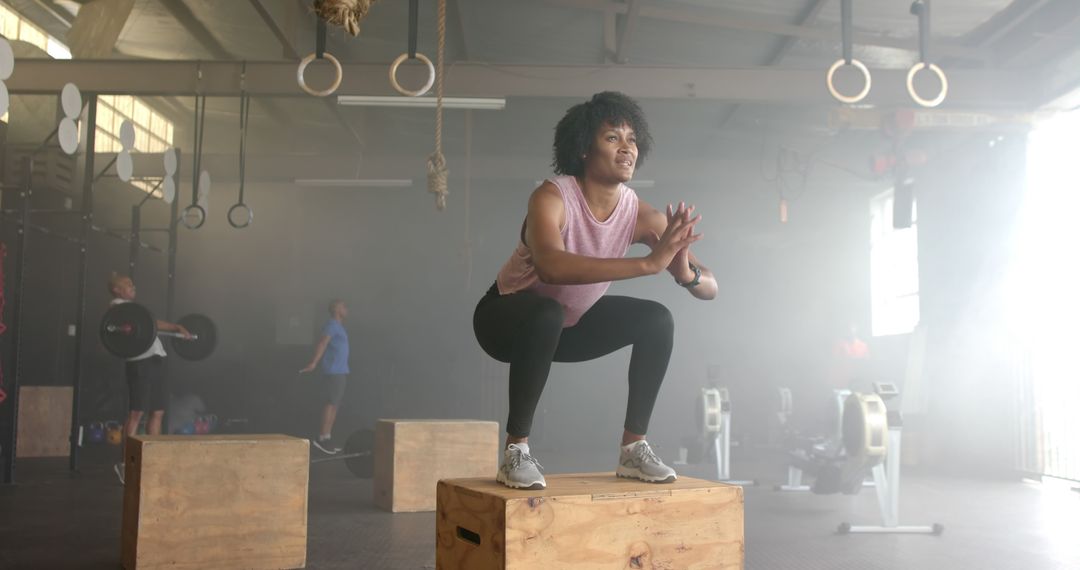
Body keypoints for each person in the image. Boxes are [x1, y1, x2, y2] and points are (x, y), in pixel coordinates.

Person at [473, 91, 717, 490]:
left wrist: (684, 270)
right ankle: (516, 451)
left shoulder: (638, 213)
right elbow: (550, 268)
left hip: (567, 329)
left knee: (657, 319)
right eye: (612, 138)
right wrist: (647, 264)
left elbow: (710, 287)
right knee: (545, 312)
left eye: (632, 139)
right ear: (585, 148)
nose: (627, 148)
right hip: (504, 323)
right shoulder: (552, 197)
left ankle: (633, 450)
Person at [107, 273, 190, 484]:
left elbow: (151, 323)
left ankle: (154, 461)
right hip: (139, 363)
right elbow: (144, 324)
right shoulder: (117, 309)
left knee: (158, 412)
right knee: (136, 413)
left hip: (156, 361)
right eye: (127, 284)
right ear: (116, 290)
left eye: (133, 283)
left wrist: (177, 328)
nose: (132, 286)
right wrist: (174, 327)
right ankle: (125, 464)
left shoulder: (135, 312)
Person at [301, 299, 350, 454]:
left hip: (340, 371)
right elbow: (323, 343)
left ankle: (327, 437)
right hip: (333, 371)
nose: (346, 309)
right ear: (336, 309)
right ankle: (321, 437)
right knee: (330, 403)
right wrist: (314, 362)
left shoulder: (339, 327)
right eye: (343, 306)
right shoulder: (331, 325)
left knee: (335, 403)